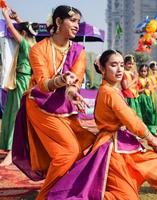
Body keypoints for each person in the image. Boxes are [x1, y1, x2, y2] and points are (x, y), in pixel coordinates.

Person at [47, 50, 157, 200]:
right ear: (103, 69)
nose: (119, 69)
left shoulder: (111, 89)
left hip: (118, 144)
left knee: (154, 166)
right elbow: (131, 120)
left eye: (121, 65)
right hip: (111, 148)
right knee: (126, 196)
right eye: (113, 65)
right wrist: (152, 139)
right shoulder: (109, 92)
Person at [12, 5, 96, 200]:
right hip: (40, 106)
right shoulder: (38, 49)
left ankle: (62, 192)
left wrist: (73, 93)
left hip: (64, 109)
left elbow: (74, 82)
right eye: (72, 21)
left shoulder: (79, 51)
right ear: (58, 22)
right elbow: (42, 84)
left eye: (78, 22)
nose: (77, 26)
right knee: (68, 152)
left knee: (84, 145)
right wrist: (60, 80)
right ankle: (46, 196)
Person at [0, 7, 39, 166]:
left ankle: (12, 150)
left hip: (22, 80)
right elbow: (25, 28)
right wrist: (17, 18)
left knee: (15, 112)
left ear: (23, 33)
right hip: (20, 80)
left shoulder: (25, 44)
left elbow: (11, 29)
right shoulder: (34, 43)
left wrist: (5, 16)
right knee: (11, 111)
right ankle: (14, 148)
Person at [137, 64, 157, 135]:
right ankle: (144, 129)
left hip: (149, 97)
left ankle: (152, 129)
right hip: (142, 98)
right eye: (142, 71)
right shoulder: (138, 79)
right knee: (144, 114)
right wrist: (144, 88)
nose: (143, 73)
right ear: (139, 71)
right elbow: (136, 90)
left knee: (151, 112)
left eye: (145, 71)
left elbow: (152, 88)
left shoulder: (149, 79)